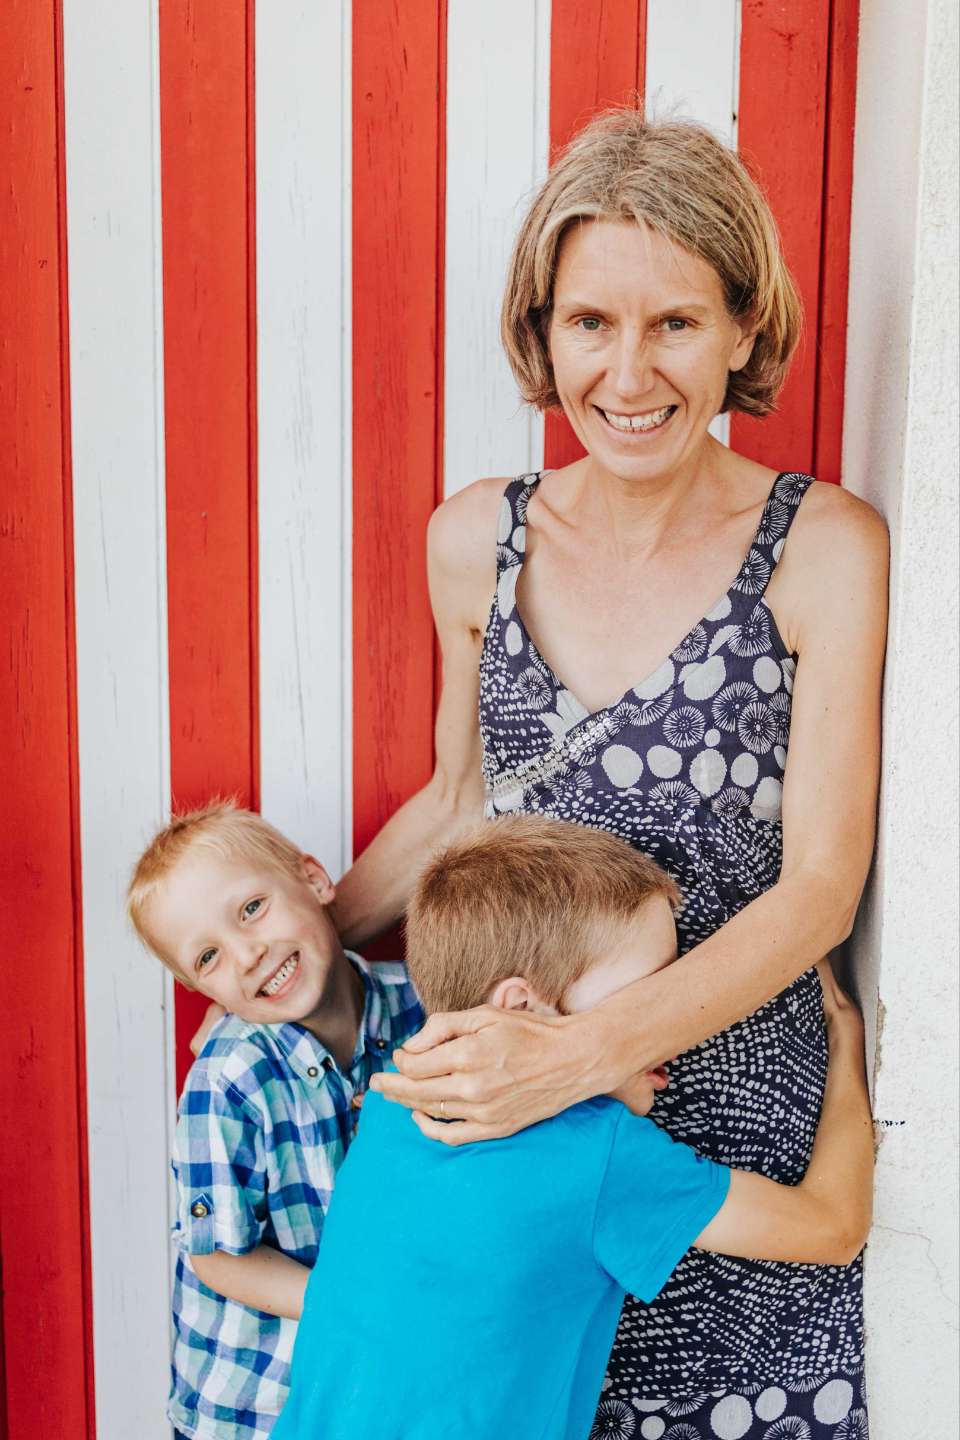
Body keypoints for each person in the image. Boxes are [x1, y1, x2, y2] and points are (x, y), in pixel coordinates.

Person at [320, 108, 888, 1423]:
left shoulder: (824, 547)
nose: (628, 375)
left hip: (737, 1165)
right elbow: (460, 801)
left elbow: (820, 888)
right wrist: (293, 950)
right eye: (590, 322)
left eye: (674, 322)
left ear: (744, 326)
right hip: (518, 1171)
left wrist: (581, 1056)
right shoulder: (476, 540)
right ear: (544, 329)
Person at [273, 816, 873, 1440]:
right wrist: (844, 1038)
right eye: (643, 995)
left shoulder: (393, 1102)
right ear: (520, 1007)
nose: (670, 1024)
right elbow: (833, 1228)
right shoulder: (597, 1154)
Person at [126, 802, 424, 1440]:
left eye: (252, 908)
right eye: (209, 957)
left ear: (314, 879)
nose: (247, 955)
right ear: (200, 989)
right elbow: (218, 1259)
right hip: (254, 1406)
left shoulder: (422, 1006)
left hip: (377, 1394)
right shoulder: (226, 1079)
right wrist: (348, 1303)